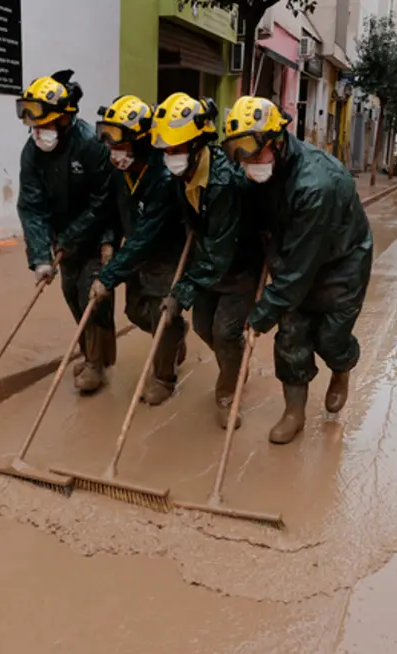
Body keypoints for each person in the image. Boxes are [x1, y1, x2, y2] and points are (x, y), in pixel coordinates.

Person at [221, 97, 374, 445]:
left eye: (252, 153)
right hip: (292, 254)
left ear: (276, 142)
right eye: (238, 154)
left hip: (341, 263)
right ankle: (295, 412)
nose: (246, 164)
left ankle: (342, 365)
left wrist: (260, 315)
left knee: (329, 338)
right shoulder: (258, 168)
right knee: (291, 335)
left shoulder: (316, 185)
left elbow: (299, 272)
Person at [150, 92, 264, 429]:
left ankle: (227, 391)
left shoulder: (224, 182)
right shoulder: (180, 175)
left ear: (198, 144)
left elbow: (220, 253)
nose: (170, 156)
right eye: (166, 150)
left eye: (176, 149)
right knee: (202, 327)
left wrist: (179, 294)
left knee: (225, 333)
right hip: (206, 265)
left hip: (238, 266)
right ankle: (236, 363)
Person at [16, 70, 121, 393]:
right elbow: (31, 206)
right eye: (34, 125)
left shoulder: (90, 145)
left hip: (96, 235)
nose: (38, 132)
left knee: (92, 297)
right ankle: (96, 354)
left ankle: (95, 364)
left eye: (45, 124)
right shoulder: (32, 152)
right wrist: (40, 257)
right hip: (64, 240)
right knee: (71, 297)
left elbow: (105, 200)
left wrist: (81, 237)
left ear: (64, 120)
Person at [88, 95, 190, 405]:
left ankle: (164, 378)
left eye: (118, 140)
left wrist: (109, 276)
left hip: (165, 253)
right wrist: (108, 241)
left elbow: (147, 233)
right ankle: (174, 337)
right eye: (107, 138)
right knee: (134, 310)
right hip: (135, 252)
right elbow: (111, 211)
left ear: (141, 141)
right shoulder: (121, 171)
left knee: (163, 316)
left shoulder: (162, 177)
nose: (111, 148)